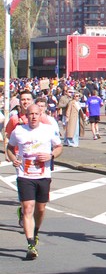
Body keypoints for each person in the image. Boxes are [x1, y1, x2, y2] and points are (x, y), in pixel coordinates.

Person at [7, 104, 62, 261]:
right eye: (30, 114)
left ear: (40, 114)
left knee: (41, 209)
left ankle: (35, 232)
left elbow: (59, 147)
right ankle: (30, 245)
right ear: (26, 115)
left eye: (36, 114)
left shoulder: (48, 130)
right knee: (28, 208)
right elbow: (10, 148)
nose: (33, 117)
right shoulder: (19, 131)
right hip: (24, 175)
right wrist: (13, 159)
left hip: (43, 175)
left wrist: (51, 155)